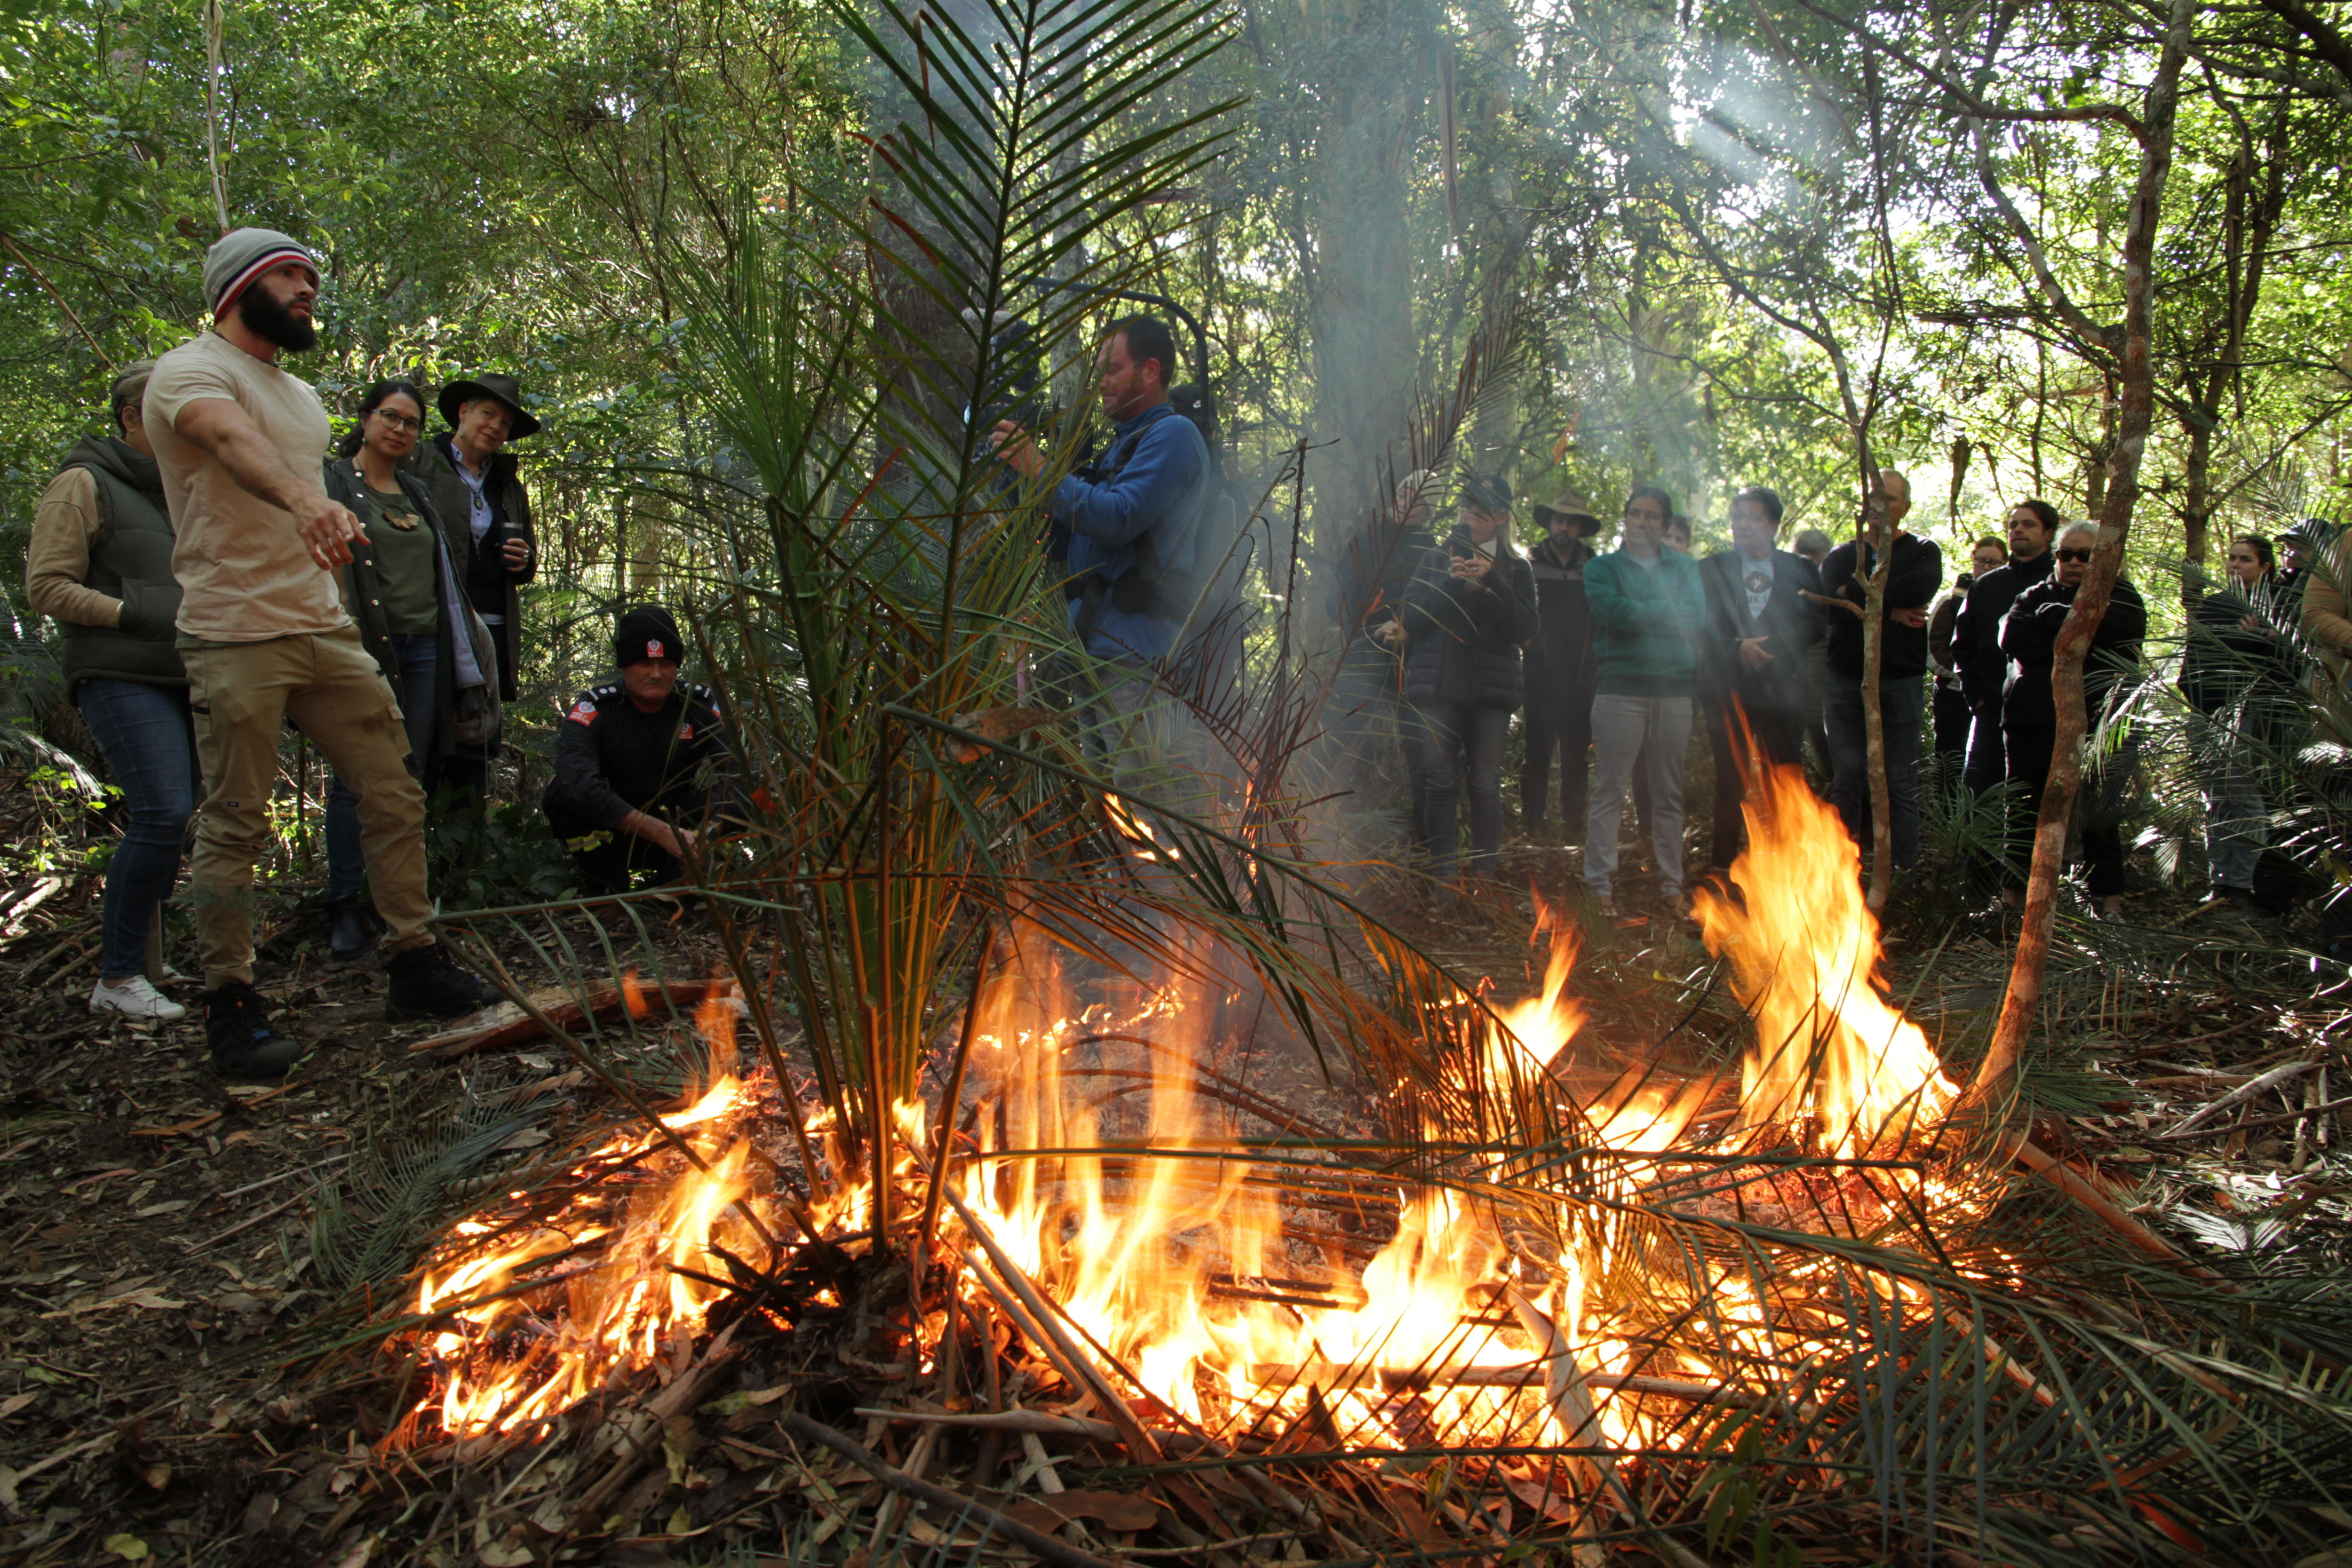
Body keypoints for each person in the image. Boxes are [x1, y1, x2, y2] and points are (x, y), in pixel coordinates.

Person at [144, 226, 500, 1077]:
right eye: (292, 276)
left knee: (392, 788)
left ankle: (413, 960)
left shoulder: (302, 398)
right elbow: (231, 442)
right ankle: (230, 1001)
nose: (309, 289)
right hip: (234, 628)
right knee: (236, 819)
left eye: (312, 277)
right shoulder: (190, 371)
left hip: (320, 626)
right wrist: (309, 501)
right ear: (240, 288)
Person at [26, 359, 194, 1021]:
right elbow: (47, 585)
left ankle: (149, 959)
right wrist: (135, 613)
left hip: (185, 671)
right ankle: (117, 975)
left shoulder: (182, 489)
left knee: (178, 818)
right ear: (131, 416)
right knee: (161, 809)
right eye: (165, 408)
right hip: (120, 671)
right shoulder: (83, 482)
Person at [992, 316, 1211, 809]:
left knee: (1148, 803)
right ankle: (1123, 889)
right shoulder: (1121, 443)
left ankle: (1167, 889)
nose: (1101, 384)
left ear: (1150, 370)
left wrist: (1038, 468)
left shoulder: (1172, 435)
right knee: (1110, 810)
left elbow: (1118, 517)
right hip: (1095, 653)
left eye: (1112, 370)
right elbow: (1072, 530)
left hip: (1139, 657)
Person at [319, 381, 499, 958]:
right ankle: (344, 903)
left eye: (411, 423)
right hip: (359, 646)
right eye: (389, 418)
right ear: (367, 420)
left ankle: (398, 909)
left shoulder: (417, 492)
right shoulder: (330, 483)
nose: (399, 430)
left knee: (407, 777)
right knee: (355, 779)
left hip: (426, 648)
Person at [1998, 522, 2146, 915]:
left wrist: (2062, 618)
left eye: (2087, 555)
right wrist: (2076, 626)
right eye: (2066, 554)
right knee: (2024, 809)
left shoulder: (2123, 595)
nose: (2076, 562)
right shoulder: (2033, 595)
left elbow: (2123, 630)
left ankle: (2109, 903)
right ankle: (2014, 900)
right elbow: (2013, 639)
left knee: (2099, 814)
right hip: (2032, 721)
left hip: (2099, 725)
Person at [1398, 475, 1535, 884]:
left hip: (1491, 693)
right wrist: (1451, 581)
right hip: (1439, 687)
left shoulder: (1517, 567)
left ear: (1501, 518)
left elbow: (1524, 629)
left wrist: (1493, 579)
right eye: (1466, 508)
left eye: (1482, 510)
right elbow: (1413, 620)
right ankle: (1442, 880)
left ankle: (1483, 881)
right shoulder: (1436, 558)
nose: (1471, 515)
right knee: (1440, 781)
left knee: (1485, 784)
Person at [544, 606, 731, 895]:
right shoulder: (595, 709)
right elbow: (578, 783)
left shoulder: (699, 706)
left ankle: (693, 875)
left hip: (682, 829)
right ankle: (607, 886)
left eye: (667, 664)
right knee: (561, 795)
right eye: (645, 663)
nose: (656, 674)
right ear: (625, 665)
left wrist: (705, 836)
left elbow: (738, 771)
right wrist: (661, 833)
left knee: (748, 789)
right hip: (618, 833)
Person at [1581, 486, 1706, 917]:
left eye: (1652, 516)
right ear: (1625, 518)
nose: (1641, 522)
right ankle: (1599, 886)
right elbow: (1613, 613)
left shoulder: (1687, 568)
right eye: (1634, 514)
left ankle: (1673, 887)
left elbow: (1695, 618)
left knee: (1668, 793)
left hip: (1674, 691)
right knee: (1611, 788)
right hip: (1620, 688)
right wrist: (1662, 613)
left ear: (1665, 524)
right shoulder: (1601, 567)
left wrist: (1642, 612)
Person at [1816, 469, 1941, 873]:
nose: (1881, 505)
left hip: (1900, 679)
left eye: (1890, 498)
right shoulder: (1840, 556)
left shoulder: (1923, 550)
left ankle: (1905, 871)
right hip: (1845, 680)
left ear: (1905, 506)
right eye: (1875, 496)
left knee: (1899, 779)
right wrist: (1891, 608)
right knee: (1848, 777)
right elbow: (1830, 608)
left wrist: (1860, 597)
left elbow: (1918, 590)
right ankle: (1842, 869)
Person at [1696, 486, 1823, 868]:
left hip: (1783, 691)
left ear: (1773, 525)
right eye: (1738, 518)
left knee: (1783, 776)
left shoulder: (1801, 569)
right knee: (1729, 779)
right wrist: (1737, 646)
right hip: (1728, 688)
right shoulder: (1712, 567)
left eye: (1753, 518)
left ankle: (1784, 863)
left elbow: (1819, 621)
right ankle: (1722, 867)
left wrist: (1775, 646)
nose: (1743, 526)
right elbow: (1698, 624)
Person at [405, 371, 539, 706]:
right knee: (428, 722)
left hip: (491, 624)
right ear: (464, 412)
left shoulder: (508, 484)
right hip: (431, 621)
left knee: (479, 730)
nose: (496, 427)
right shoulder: (420, 462)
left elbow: (529, 562)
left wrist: (524, 560)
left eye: (506, 423)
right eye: (488, 414)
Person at [2180, 535, 2296, 917]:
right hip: (2207, 714)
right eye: (2231, 558)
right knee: (2216, 803)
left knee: (2247, 802)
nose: (2235, 565)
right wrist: (2198, 705)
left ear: (2265, 566)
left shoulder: (2279, 605)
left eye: (2245, 560)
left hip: (2255, 718)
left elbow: (2294, 661)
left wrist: (2266, 636)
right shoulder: (2216, 605)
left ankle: (2245, 885)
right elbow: (2194, 658)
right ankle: (2221, 882)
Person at [1323, 470, 1439, 836]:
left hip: (1413, 663)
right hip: (1362, 656)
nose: (1409, 501)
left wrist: (1410, 630)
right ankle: (1293, 818)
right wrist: (1369, 627)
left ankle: (1425, 845)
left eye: (1420, 499)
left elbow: (1436, 608)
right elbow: (1338, 599)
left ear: (1429, 510)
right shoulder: (1366, 542)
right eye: (1406, 492)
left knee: (1422, 755)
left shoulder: (1434, 552)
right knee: (1329, 741)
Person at [1953, 501, 2060, 798]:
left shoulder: (2060, 583)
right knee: (1976, 803)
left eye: (2029, 525)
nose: (2018, 531)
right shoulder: (1985, 585)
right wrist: (1976, 698)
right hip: (1990, 713)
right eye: (2014, 525)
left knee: (2033, 803)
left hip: (2044, 718)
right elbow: (1962, 646)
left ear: (2049, 532)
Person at [1521, 489, 1602, 842]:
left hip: (1582, 677)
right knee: (1536, 752)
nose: (1564, 527)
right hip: (1539, 674)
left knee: (1575, 757)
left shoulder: (1595, 567)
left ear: (1580, 528)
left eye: (1571, 522)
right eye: (1559, 520)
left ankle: (1573, 826)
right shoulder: (1529, 563)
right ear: (1550, 523)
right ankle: (1532, 825)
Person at [1929, 537, 2008, 778]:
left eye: (1994, 563)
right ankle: (1946, 812)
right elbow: (1933, 649)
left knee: (1987, 766)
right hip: (1953, 694)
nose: (1985, 567)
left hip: (1996, 696)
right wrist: (1967, 675)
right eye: (1981, 560)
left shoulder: (2013, 596)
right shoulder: (1950, 599)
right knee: (1950, 762)